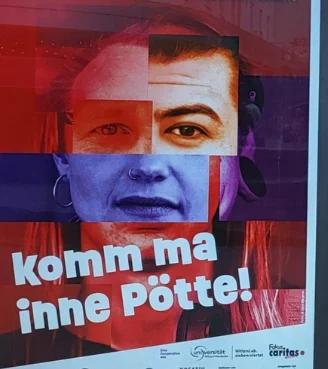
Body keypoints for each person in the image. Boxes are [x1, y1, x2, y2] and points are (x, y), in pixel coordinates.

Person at [1, 8, 303, 366]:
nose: (148, 167)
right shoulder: (15, 351)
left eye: (188, 130)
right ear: (63, 155)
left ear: (240, 152)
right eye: (111, 129)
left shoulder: (291, 332)